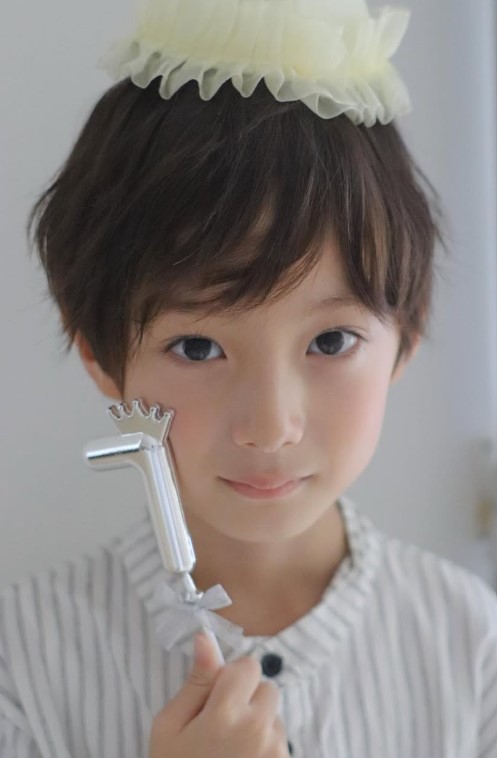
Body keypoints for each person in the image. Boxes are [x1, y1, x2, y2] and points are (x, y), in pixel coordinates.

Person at [2, 0, 497, 756]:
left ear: (407, 334)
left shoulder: (471, 646)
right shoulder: (24, 662)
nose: (269, 426)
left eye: (329, 340)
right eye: (198, 348)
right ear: (99, 353)